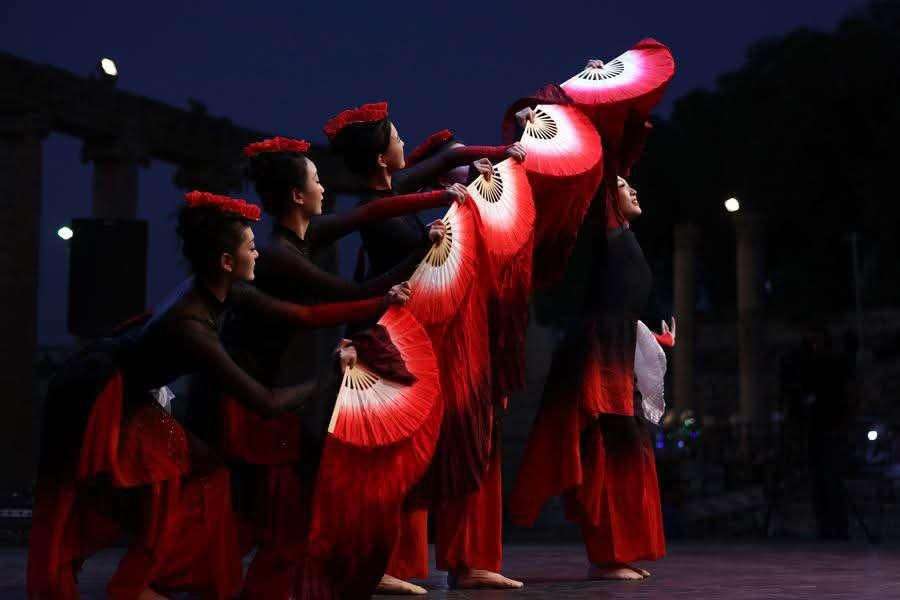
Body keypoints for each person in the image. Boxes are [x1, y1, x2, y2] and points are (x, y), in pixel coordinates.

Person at [27, 191, 366, 599]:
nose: (258, 254)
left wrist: (380, 299)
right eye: (251, 248)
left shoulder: (223, 288)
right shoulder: (192, 326)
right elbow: (265, 402)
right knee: (119, 484)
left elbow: (303, 315)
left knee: (203, 469)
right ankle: (135, 586)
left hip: (128, 385)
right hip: (100, 390)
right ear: (226, 261)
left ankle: (154, 578)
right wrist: (330, 375)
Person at [510, 176, 674, 580]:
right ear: (604, 198)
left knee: (626, 450)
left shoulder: (624, 238)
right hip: (598, 357)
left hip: (616, 351)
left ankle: (617, 554)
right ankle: (606, 558)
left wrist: (655, 337)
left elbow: (623, 304)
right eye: (621, 184)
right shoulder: (601, 237)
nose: (633, 189)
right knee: (604, 451)